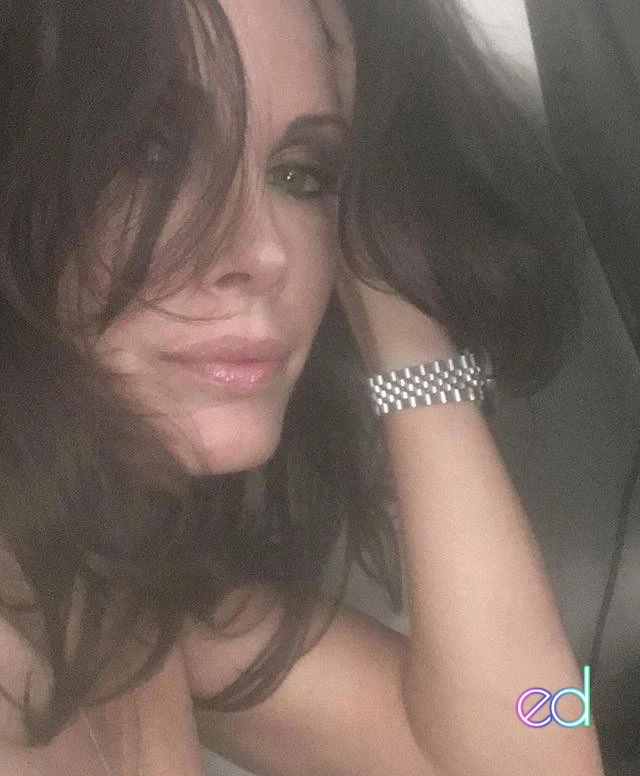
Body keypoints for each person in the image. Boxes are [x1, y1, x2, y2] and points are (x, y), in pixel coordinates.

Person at [0, 0, 604, 774]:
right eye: (152, 153)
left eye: (302, 174)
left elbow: (542, 735)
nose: (264, 253)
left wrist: (387, 287)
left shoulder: (124, 595)